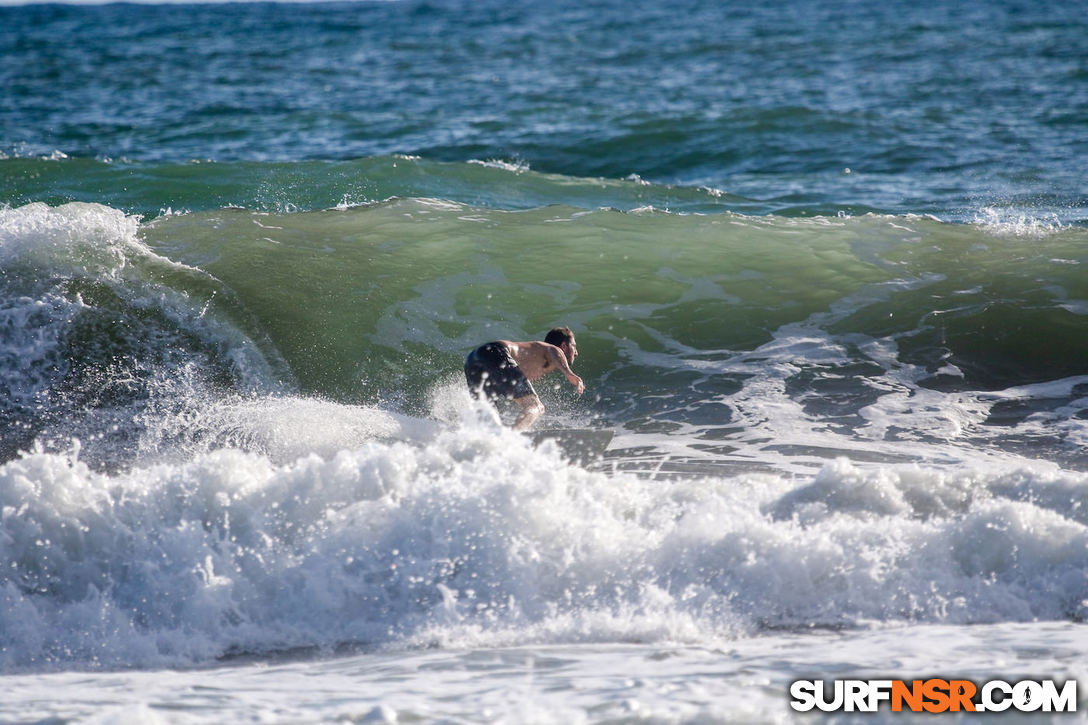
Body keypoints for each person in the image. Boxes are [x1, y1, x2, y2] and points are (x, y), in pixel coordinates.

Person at [464, 327, 585, 430]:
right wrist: (568, 373)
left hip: (473, 359)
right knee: (535, 406)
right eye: (574, 346)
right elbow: (554, 351)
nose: (576, 352)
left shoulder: (535, 355)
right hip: (497, 352)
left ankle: (488, 444)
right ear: (564, 345)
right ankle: (513, 438)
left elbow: (509, 378)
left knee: (489, 414)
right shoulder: (551, 349)